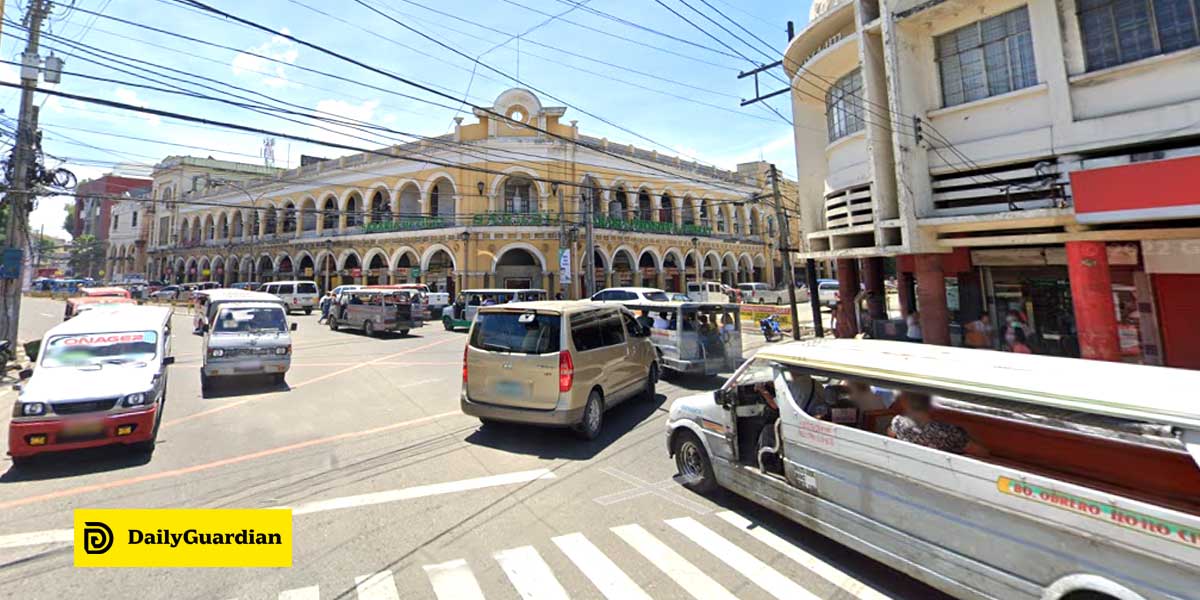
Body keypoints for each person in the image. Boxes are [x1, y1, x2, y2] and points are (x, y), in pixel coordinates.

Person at [888, 392, 989, 457]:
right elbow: (982, 452)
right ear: (929, 406)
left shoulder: (897, 422)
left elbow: (890, 433)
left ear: (907, 404)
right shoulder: (947, 431)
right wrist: (970, 431)